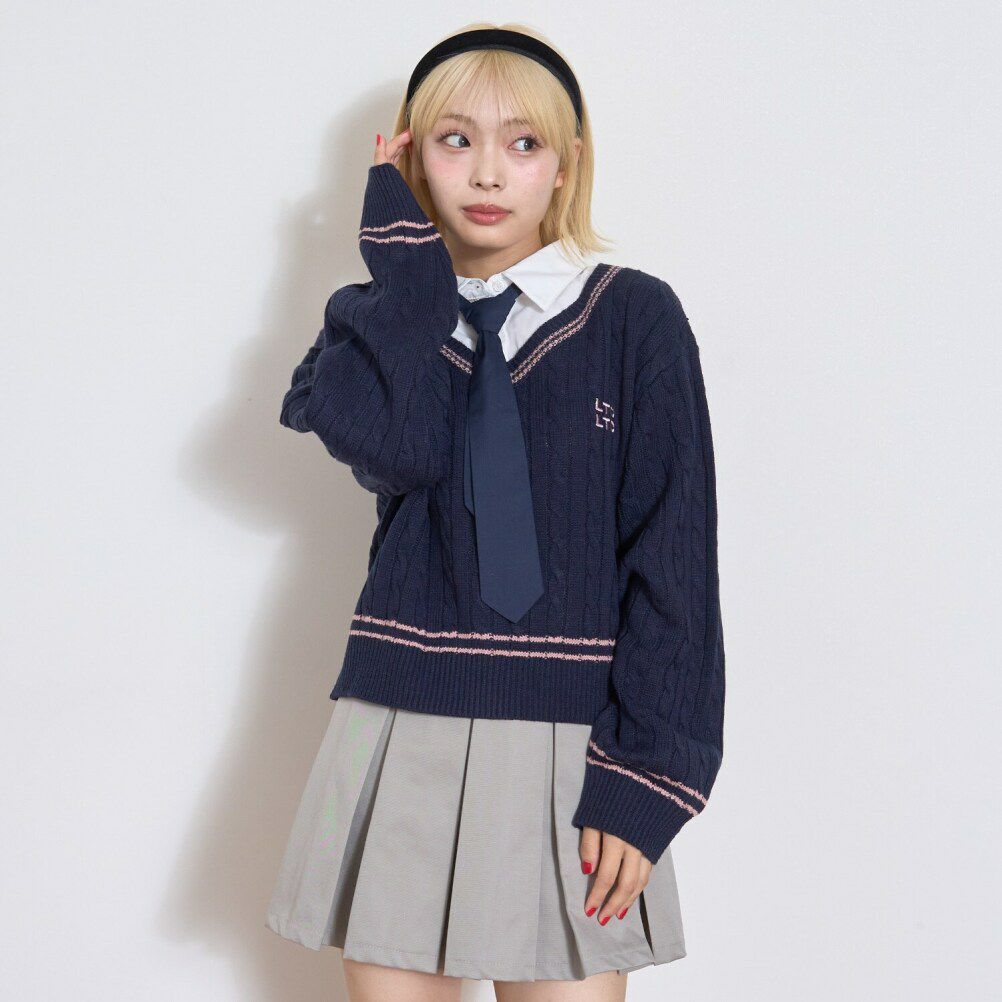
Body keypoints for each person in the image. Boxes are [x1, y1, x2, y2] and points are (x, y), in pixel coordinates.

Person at [266, 22, 726, 1001]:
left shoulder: (634, 318)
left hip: (571, 736)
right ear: (408, 159)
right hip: (397, 720)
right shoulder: (377, 320)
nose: (486, 172)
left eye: (523, 143)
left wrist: (648, 775)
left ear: (567, 165)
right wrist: (408, 278)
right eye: (454, 140)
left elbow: (675, 558)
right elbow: (403, 451)